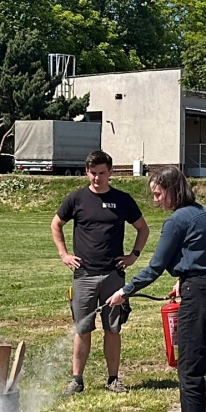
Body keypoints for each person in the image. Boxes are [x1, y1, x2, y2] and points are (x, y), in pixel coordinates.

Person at [107, 166, 206, 412]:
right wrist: (182, 279)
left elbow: (155, 267)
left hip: (200, 297)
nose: (155, 200)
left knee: (190, 370)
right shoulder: (203, 213)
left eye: (158, 193)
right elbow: (204, 257)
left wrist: (124, 291)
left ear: (171, 190)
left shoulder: (176, 221)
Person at [52, 150, 150, 395]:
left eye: (102, 173)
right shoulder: (76, 199)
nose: (97, 178)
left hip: (113, 276)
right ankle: (77, 380)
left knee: (112, 328)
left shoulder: (123, 200)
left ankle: (113, 378)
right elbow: (56, 225)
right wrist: (64, 254)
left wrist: (133, 255)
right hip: (84, 275)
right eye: (93, 173)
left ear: (111, 172)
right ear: (87, 172)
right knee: (82, 329)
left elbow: (143, 229)